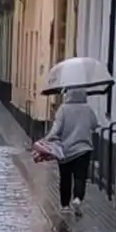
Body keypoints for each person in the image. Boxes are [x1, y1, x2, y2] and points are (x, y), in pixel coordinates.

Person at [41, 88, 98, 216]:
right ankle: (77, 198)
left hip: (65, 150)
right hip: (83, 149)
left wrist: (46, 140)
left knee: (65, 177)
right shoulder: (88, 109)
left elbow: (56, 129)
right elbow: (95, 124)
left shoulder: (63, 109)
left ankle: (65, 205)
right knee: (80, 176)